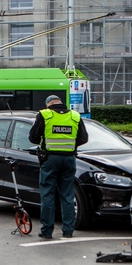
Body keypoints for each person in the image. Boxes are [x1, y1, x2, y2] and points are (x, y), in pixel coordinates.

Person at [28, 95, 88, 239]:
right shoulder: (75, 116)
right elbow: (83, 138)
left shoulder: (44, 115)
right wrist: (69, 145)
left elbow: (33, 138)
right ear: (61, 103)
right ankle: (68, 231)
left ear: (48, 104)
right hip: (69, 159)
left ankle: (47, 231)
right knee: (67, 195)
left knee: (48, 194)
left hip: (50, 159)